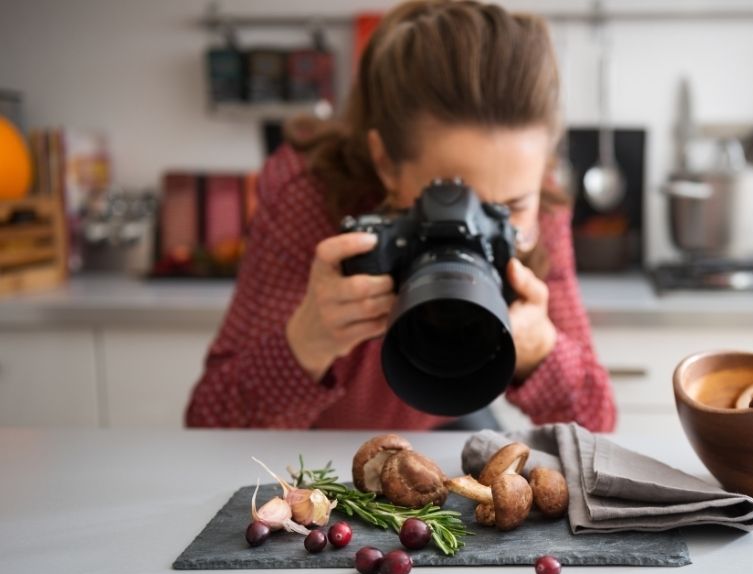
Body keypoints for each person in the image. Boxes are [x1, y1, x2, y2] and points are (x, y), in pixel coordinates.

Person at [185, 0, 616, 432]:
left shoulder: (541, 205)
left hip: (442, 419)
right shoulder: (309, 194)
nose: (472, 227)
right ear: (385, 163)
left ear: (542, 172)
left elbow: (597, 423)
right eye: (447, 199)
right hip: (311, 439)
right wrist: (305, 342)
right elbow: (210, 423)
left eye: (510, 208)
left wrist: (541, 351)